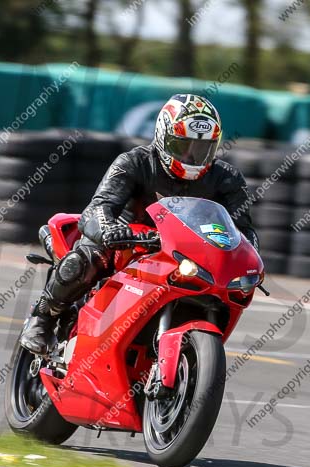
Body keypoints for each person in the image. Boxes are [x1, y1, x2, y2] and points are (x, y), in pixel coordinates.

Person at [19, 93, 259, 354]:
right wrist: (109, 230)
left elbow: (243, 231)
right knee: (89, 258)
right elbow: (98, 207)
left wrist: (247, 260)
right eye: (184, 146)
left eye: (202, 148)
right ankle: (43, 317)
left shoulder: (227, 179)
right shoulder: (134, 162)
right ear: (164, 137)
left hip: (182, 252)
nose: (193, 156)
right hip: (127, 245)